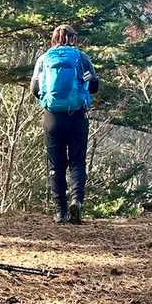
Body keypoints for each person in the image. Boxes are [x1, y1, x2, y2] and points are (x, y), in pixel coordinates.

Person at [30, 25, 99, 225]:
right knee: (77, 161)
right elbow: (94, 85)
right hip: (77, 116)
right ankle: (76, 201)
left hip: (52, 118)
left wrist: (48, 101)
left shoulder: (44, 59)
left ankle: (60, 212)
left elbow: (34, 88)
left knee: (56, 165)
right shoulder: (81, 58)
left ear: (53, 39)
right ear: (73, 38)